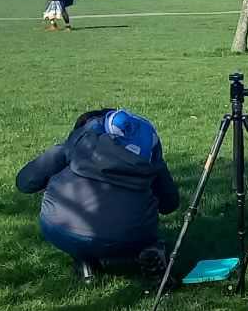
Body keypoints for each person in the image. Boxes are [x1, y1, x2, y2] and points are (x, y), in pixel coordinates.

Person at [17, 109, 180, 282]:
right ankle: (151, 250)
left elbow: (25, 182)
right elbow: (169, 204)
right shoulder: (150, 156)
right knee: (146, 231)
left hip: (58, 228)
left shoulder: (76, 143)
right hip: (130, 236)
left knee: (75, 221)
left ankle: (84, 260)